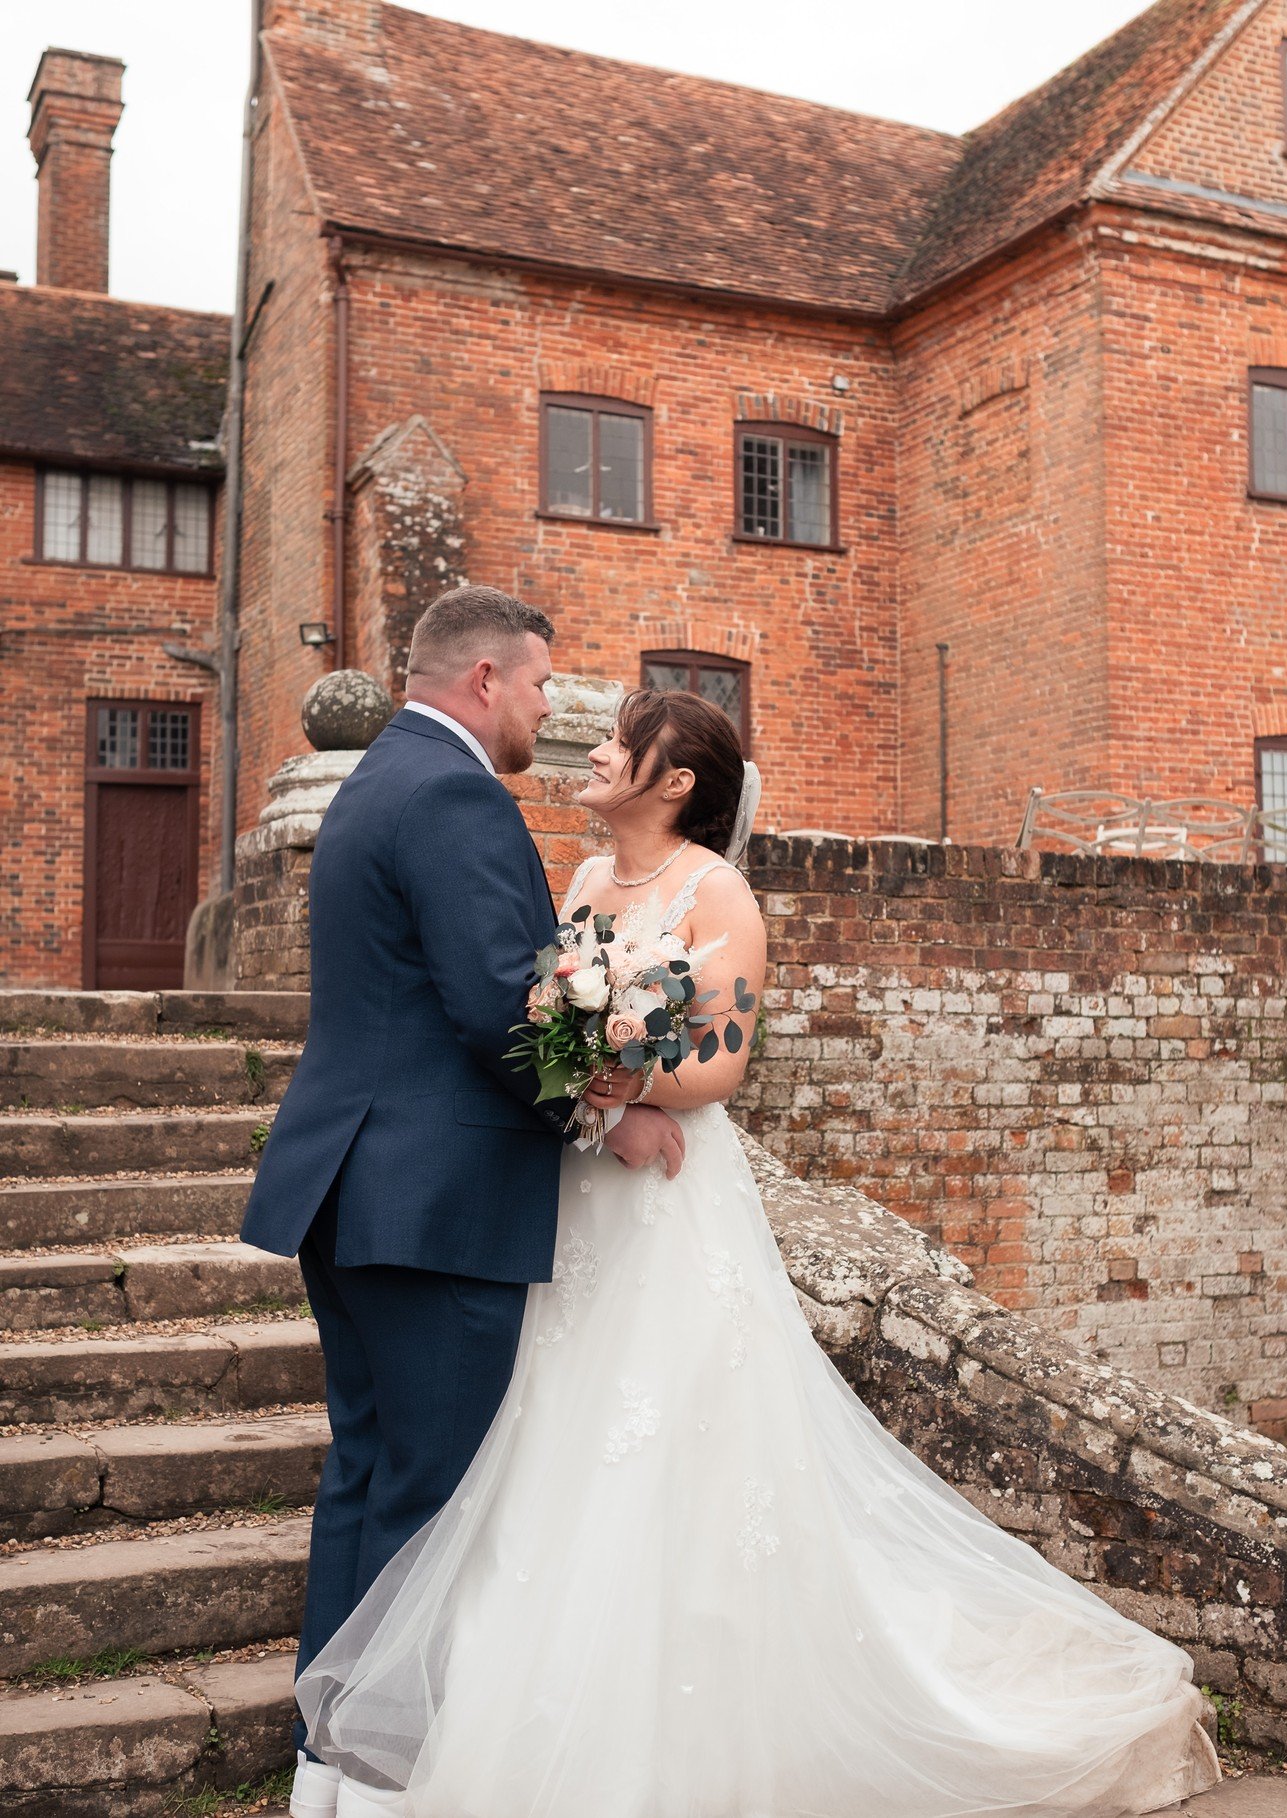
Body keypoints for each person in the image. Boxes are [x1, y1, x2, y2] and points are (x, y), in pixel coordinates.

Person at [294, 685, 1222, 1818]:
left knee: (665, 1436)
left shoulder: (717, 892)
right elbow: (523, 1013)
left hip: (663, 1196)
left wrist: (609, 1074)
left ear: (675, 780)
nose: (593, 749)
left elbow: (720, 1066)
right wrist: (581, 1081)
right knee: (542, 1441)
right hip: (576, 1188)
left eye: (620, 741)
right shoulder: (583, 883)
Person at [238, 585, 685, 1818]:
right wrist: (608, 1110)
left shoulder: (375, 780)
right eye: (543, 685)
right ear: (484, 679)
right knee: (430, 1501)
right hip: (431, 1201)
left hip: (355, 1185)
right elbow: (504, 1004)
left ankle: (326, 1769)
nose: (549, 710)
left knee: (370, 1479)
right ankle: (386, 1783)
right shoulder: (453, 794)